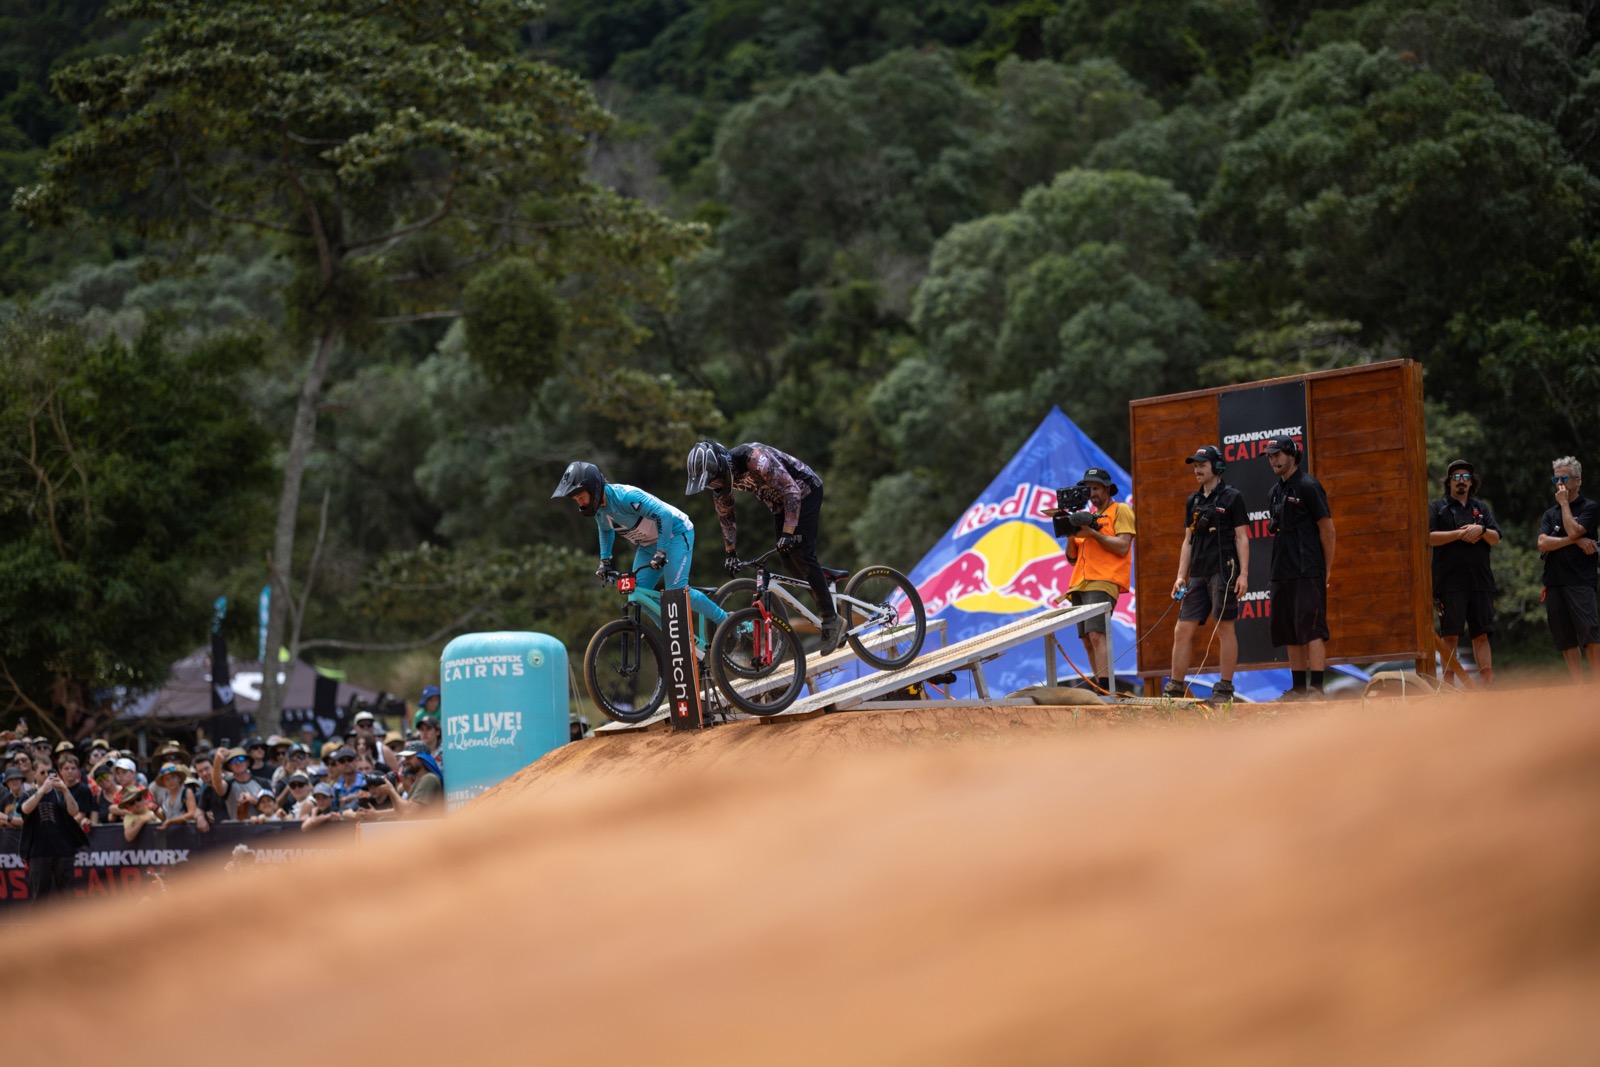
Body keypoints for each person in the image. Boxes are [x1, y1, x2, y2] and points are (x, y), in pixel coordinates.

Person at [684, 440, 843, 652]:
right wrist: (730, 553)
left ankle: (831, 619)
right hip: (779, 503)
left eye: (714, 481)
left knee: (800, 552)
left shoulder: (755, 459)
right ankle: (826, 589)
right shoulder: (722, 483)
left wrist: (788, 533)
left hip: (804, 491)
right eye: (709, 485)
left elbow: (791, 490)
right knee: (789, 562)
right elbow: (726, 516)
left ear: (723, 466)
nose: (715, 486)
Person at [553, 460, 729, 632]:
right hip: (648, 544)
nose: (580, 503)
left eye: (581, 497)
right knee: (638, 596)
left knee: (676, 593)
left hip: (676, 532)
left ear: (594, 489)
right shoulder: (599, 510)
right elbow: (606, 531)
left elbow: (664, 516)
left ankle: (726, 622)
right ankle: (675, 637)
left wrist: (661, 551)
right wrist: (604, 562)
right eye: (576, 499)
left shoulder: (626, 497)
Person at [1166, 446, 1250, 700]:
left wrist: (1243, 574)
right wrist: (1181, 575)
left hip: (1223, 572)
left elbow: (1242, 538)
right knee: (1182, 630)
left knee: (1224, 629)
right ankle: (1176, 687)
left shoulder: (1232, 497)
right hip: (1196, 574)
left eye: (1202, 464)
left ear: (1217, 467)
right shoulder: (1193, 500)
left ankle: (1224, 688)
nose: (1197, 469)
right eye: (1194, 465)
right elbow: (1187, 541)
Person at [1263, 436, 1336, 700]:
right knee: (1289, 630)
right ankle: (1298, 689)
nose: (1273, 460)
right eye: (1269, 456)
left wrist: (1325, 569)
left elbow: (1328, 530)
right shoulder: (1274, 492)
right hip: (1281, 571)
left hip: (1308, 569)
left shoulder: (1309, 485)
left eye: (1277, 454)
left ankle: (1317, 689)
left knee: (1312, 628)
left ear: (1292, 454)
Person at [1428, 459, 1502, 688]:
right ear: (1449, 482)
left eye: (1466, 478)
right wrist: (1460, 534)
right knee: (1450, 636)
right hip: (1448, 582)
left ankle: (1487, 686)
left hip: (1480, 581)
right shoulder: (1436, 507)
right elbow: (1429, 537)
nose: (1461, 482)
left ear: (1472, 483)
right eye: (1456, 478)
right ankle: (1449, 687)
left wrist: (1479, 529)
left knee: (1481, 635)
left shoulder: (1481, 509)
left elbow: (1496, 537)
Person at [1063, 467, 1136, 696]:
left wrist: (1093, 533)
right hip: (1079, 582)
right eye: (1088, 489)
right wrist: (1069, 531)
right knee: (1086, 638)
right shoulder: (1082, 517)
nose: (1091, 493)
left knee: (1097, 634)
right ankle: (1099, 687)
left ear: (1107, 489)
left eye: (1095, 488)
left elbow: (1123, 546)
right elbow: (1072, 559)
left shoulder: (1120, 510)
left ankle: (1105, 687)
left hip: (1104, 580)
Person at [1536, 456, 1600, 684]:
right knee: (1565, 638)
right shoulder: (1549, 514)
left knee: (1590, 633)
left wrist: (1564, 504)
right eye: (1556, 478)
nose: (1559, 483)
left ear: (1578, 481)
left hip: (1580, 580)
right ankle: (1579, 686)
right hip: (1554, 582)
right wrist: (1575, 542)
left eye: (1564, 478)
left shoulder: (1590, 507)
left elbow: (1574, 530)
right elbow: (1543, 543)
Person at [18, 767, 87, 902]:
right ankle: (39, 923)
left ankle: (70, 923)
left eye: (50, 773)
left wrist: (65, 790)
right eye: (42, 773)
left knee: (68, 893)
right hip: (38, 851)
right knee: (39, 895)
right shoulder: (28, 794)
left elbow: (74, 812)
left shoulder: (60, 794)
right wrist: (42, 789)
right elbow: (25, 809)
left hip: (63, 849)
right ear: (34, 774)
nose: (47, 776)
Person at [209, 747, 269, 820]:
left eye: (241, 759)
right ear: (229, 766)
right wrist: (217, 762)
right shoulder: (228, 784)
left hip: (263, 827)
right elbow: (217, 785)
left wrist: (255, 802)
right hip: (237, 828)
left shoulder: (263, 783)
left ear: (247, 762)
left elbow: (274, 807)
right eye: (233, 761)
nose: (238, 763)